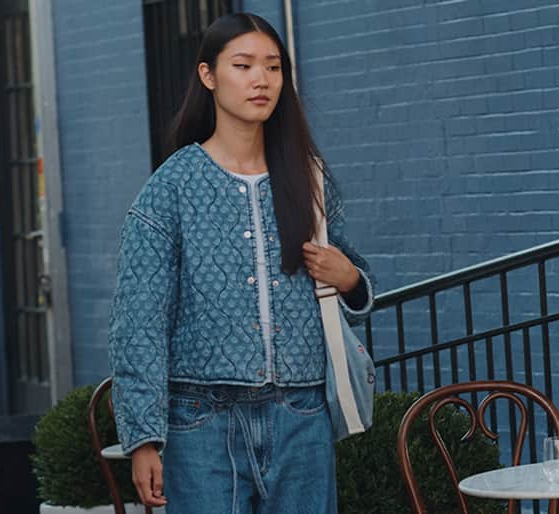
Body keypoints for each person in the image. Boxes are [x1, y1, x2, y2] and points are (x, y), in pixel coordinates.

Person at [107, 13, 374, 513]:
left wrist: (352, 280)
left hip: (302, 417)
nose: (261, 80)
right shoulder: (171, 188)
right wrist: (143, 438)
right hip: (201, 425)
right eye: (243, 65)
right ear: (208, 76)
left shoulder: (309, 178)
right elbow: (137, 322)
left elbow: (353, 278)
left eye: (273, 68)